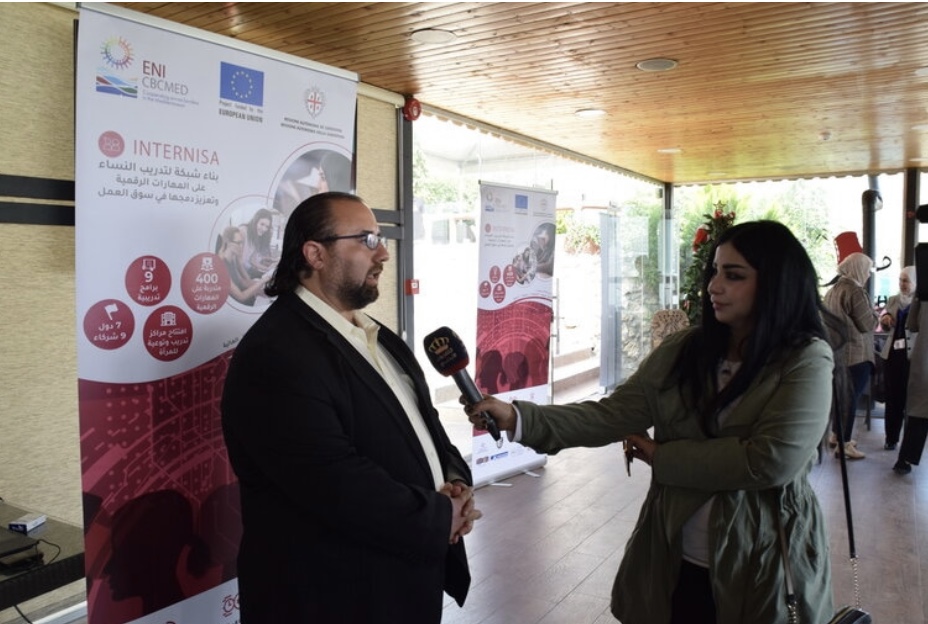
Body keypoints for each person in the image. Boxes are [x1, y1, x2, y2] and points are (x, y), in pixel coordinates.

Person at [465, 220, 838, 624]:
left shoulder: (806, 359)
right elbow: (612, 414)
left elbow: (769, 461)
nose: (713, 286)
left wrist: (663, 457)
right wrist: (519, 417)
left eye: (734, 276)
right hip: (673, 558)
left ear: (777, 283)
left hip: (763, 565)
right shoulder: (684, 350)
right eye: (715, 271)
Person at [221, 191, 480, 624]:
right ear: (315, 254)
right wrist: (439, 517)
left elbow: (425, 426)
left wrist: (455, 481)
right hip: (331, 596)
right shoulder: (276, 353)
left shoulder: (376, 334)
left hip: (401, 578)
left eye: (380, 238)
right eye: (366, 239)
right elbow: (331, 480)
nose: (383, 254)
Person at [823, 251, 876, 459]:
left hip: (838, 352)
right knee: (850, 399)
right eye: (867, 270)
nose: (868, 274)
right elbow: (868, 324)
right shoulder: (855, 291)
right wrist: (874, 313)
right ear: (858, 269)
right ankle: (844, 444)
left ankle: (836, 435)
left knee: (841, 397)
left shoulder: (833, 290)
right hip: (856, 354)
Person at [878, 266, 916, 450]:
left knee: (912, 401)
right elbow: (885, 325)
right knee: (893, 399)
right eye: (900, 280)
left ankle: (910, 443)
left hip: (913, 358)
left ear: (915, 282)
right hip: (892, 355)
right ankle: (891, 438)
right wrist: (884, 319)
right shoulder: (893, 299)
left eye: (906, 280)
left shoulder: (921, 302)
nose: (902, 284)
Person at [894, 294, 928, 474]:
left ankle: (905, 459)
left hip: (924, 358)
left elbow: (912, 324)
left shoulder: (922, 290)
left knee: (919, 412)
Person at [219, 226, 268, 306]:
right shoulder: (221, 265)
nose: (241, 246)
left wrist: (261, 288)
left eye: (242, 243)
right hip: (237, 305)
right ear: (228, 243)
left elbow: (242, 282)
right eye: (238, 243)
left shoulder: (232, 260)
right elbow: (241, 297)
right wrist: (262, 281)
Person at [239, 207, 279, 279]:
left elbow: (252, 260)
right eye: (262, 224)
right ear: (255, 221)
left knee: (271, 277)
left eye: (267, 227)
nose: (264, 229)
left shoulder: (257, 236)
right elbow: (237, 260)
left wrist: (267, 269)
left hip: (246, 269)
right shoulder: (243, 231)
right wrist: (247, 279)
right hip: (238, 270)